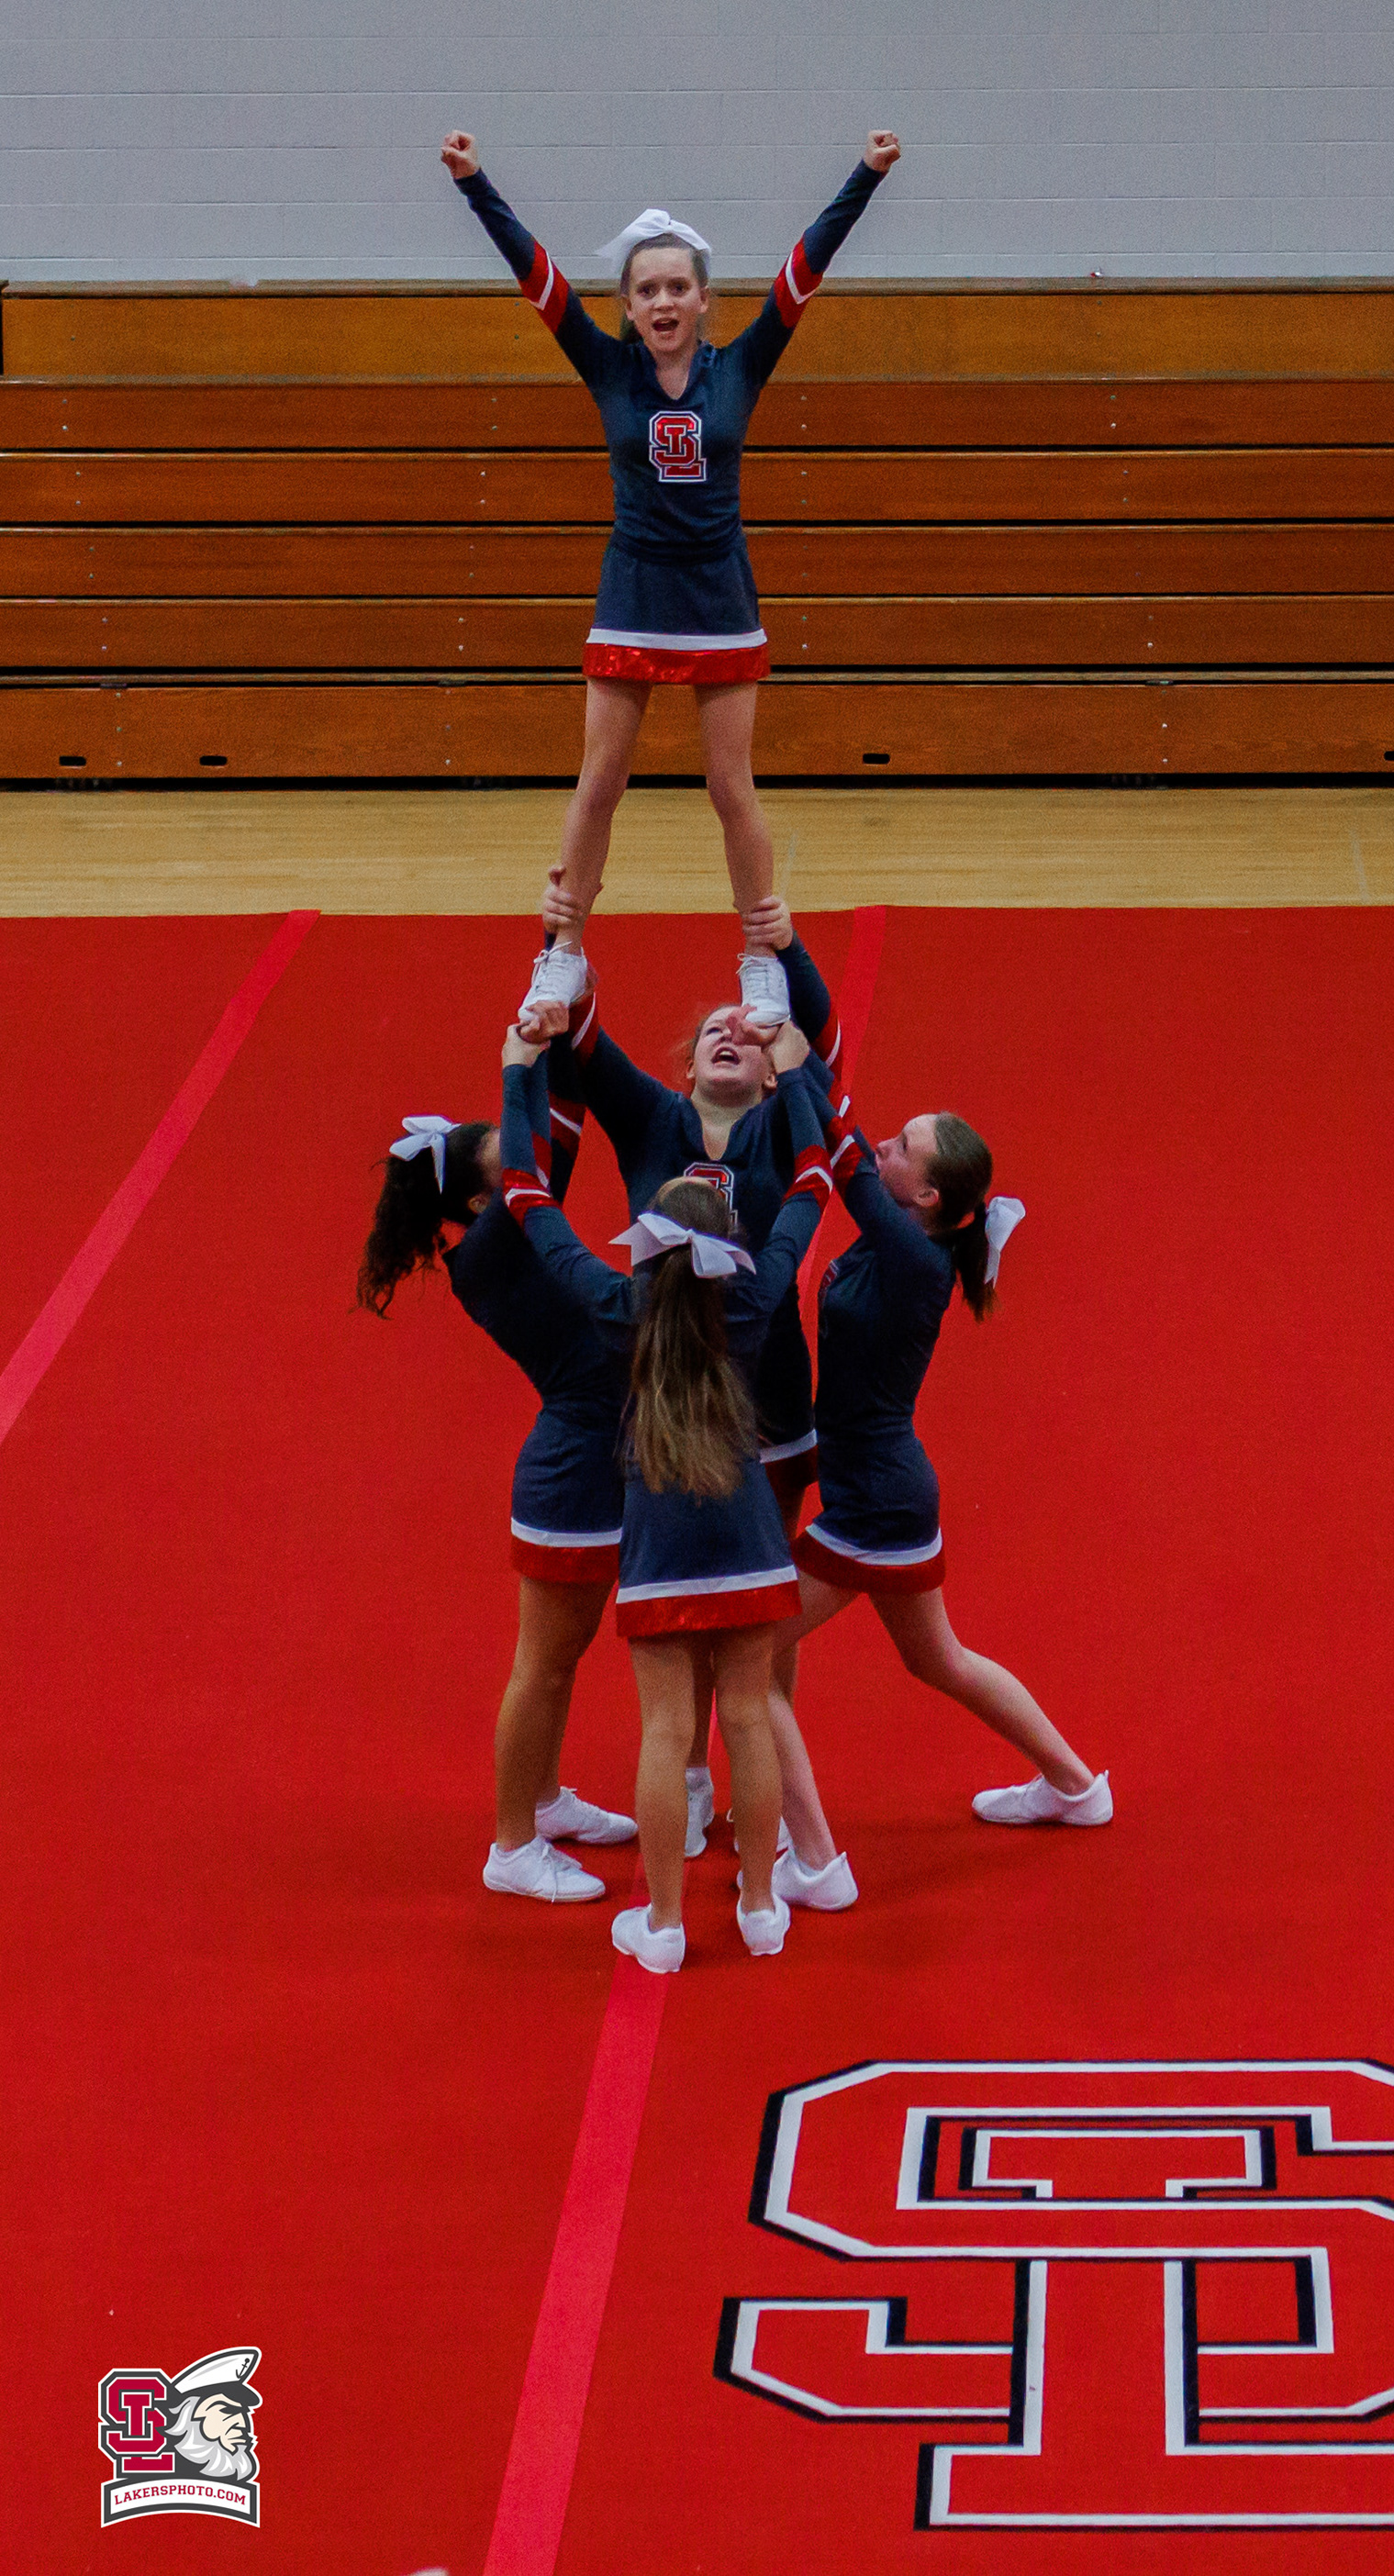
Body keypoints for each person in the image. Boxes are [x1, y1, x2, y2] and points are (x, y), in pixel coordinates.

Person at [440, 124, 901, 1032]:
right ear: (627, 302)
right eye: (646, 288)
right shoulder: (607, 365)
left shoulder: (743, 364)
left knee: (730, 786)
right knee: (599, 780)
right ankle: (562, 952)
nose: (662, 300)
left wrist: (867, 173)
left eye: (678, 287)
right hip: (635, 589)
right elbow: (537, 276)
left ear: (703, 300)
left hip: (719, 593)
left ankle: (762, 958)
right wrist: (474, 181)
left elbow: (805, 266)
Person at [496, 1020, 835, 1972]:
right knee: (748, 1713)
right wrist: (800, 1080)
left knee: (666, 1727)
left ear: (647, 1245)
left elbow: (527, 1198)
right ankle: (762, 1906)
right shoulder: (757, 1296)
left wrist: (518, 1075)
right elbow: (812, 1182)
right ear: (733, 1244)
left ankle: (666, 1923)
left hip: (661, 1539)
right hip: (750, 1532)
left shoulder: (621, 1306)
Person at [544, 888, 841, 1850]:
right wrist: (561, 927)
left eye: (748, 1032)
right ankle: (694, 1773)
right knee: (682, 1599)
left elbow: (820, 1046)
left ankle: (770, 1785)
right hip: (667, 1404)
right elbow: (576, 1021)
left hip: (770, 1400)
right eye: (714, 1027)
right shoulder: (650, 1117)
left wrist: (785, 952)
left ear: (768, 1068)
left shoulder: (781, 1123)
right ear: (686, 1062)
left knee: (760, 1603)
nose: (730, 1032)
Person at [768, 1098, 1111, 1907]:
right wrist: (797, 1037)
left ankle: (812, 1859)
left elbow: (846, 1161)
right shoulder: (905, 1236)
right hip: (880, 1490)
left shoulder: (913, 1259)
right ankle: (1075, 1785)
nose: (884, 1145)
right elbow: (852, 1141)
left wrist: (793, 1062)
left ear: (925, 1195)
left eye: (903, 1145)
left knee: (743, 1653)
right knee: (937, 1658)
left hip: (874, 1505)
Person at [356, 1008, 638, 1903]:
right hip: (573, 1470)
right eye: (502, 1160)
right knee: (544, 1661)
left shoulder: (500, 1227)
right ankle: (512, 1844)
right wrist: (523, 1058)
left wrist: (559, 1014)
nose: (518, 1162)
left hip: (597, 1455)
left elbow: (552, 1130)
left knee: (567, 1652)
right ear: (483, 1200)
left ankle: (544, 1799)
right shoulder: (495, 1244)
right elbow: (546, 1142)